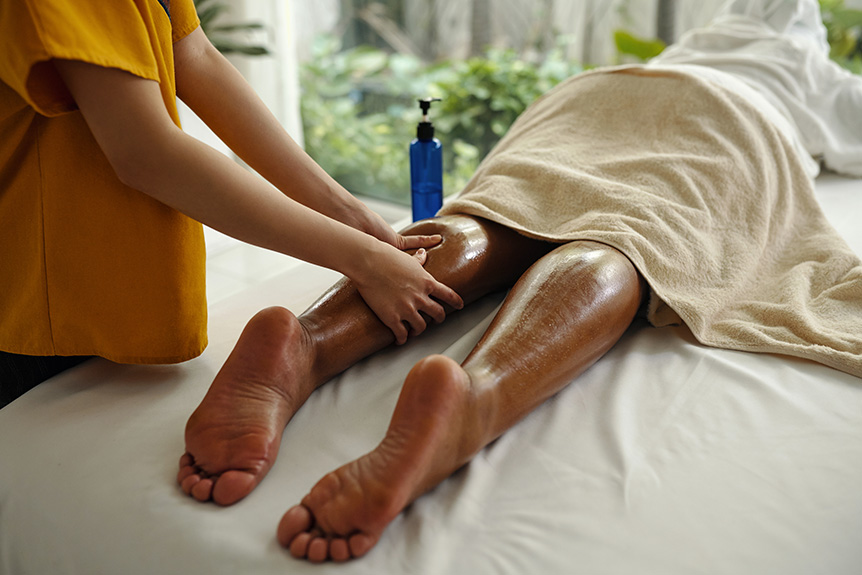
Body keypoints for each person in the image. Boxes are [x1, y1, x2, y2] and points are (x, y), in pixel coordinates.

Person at [175, 0, 862, 563]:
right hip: (732, 125)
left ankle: (308, 341)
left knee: (496, 215)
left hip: (597, 98)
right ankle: (474, 397)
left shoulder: (703, 37)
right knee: (621, 241)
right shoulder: (823, 80)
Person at [0, 0, 463, 409]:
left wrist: (351, 215)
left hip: (92, 278)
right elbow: (145, 153)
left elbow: (193, 54)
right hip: (31, 295)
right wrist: (364, 259)